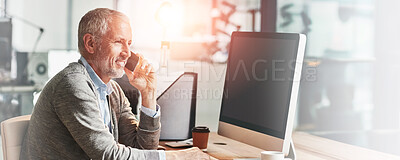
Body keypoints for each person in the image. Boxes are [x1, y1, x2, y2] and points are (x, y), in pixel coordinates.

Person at [20, 8, 210, 160]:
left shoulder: (113, 91)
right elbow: (108, 155)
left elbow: (142, 148)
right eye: (119, 42)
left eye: (129, 43)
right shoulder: (73, 84)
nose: (127, 52)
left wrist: (148, 93)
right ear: (91, 44)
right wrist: (177, 157)